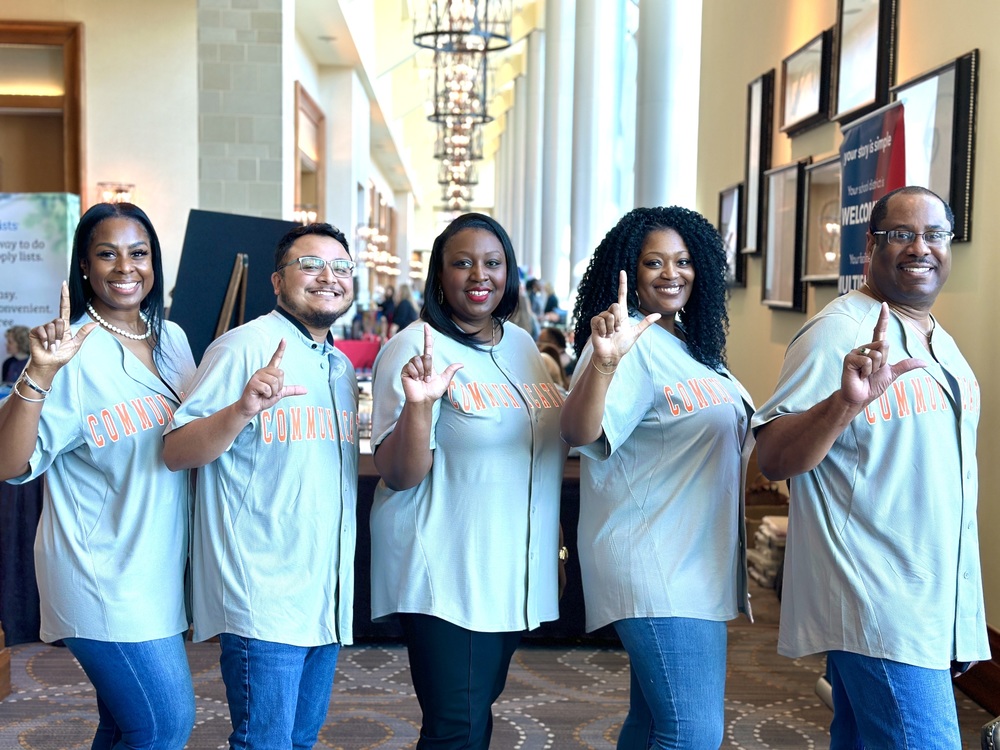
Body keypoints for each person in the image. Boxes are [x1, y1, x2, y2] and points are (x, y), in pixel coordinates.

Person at [752, 186, 988, 748]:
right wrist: (843, 404)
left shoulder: (940, 340)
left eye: (934, 234)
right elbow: (774, 457)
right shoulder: (838, 332)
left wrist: (959, 614)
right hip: (878, 597)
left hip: (927, 597)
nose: (920, 248)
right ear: (871, 245)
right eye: (901, 234)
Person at [0, 202, 197, 749]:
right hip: (101, 572)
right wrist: (39, 373)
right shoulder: (69, 351)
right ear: (84, 266)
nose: (125, 267)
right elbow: (9, 463)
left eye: (139, 253)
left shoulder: (174, 340)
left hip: (159, 568)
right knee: (164, 724)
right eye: (107, 254)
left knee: (125, 727)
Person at [560, 206, 754, 749]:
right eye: (654, 262)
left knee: (652, 724)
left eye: (684, 260)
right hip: (655, 562)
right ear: (628, 271)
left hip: (693, 558)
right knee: (692, 733)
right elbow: (579, 431)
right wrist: (602, 364)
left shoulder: (693, 346)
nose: (672, 273)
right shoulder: (626, 343)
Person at [370, 212, 565, 749]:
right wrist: (418, 407)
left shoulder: (521, 344)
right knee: (457, 727)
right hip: (448, 568)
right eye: (462, 263)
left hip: (510, 566)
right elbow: (399, 473)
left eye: (493, 263)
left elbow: (537, 450)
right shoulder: (416, 347)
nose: (480, 275)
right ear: (439, 273)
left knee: (474, 712)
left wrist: (554, 547)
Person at [162, 222, 359, 750]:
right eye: (310, 265)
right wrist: (241, 408)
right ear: (276, 281)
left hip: (324, 593)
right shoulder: (242, 348)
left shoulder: (339, 367)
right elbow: (177, 451)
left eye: (341, 267)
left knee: (299, 740)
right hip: (263, 593)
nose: (328, 277)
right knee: (265, 743)